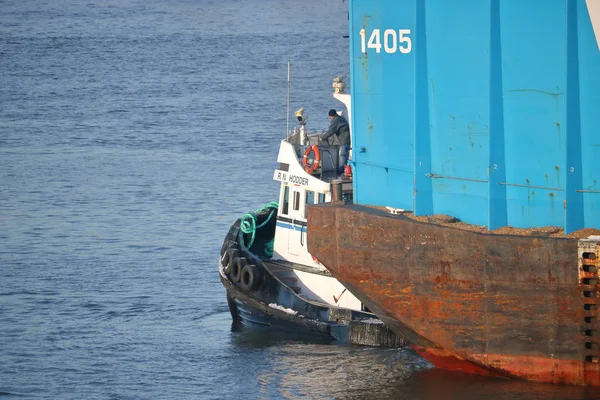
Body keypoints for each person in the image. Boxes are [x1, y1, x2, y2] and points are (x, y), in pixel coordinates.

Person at [319, 109, 350, 174]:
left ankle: (341, 171)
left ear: (331, 116)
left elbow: (331, 131)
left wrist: (323, 137)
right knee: (345, 155)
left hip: (344, 140)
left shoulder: (336, 120)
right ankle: (345, 170)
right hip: (346, 139)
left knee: (342, 155)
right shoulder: (340, 118)